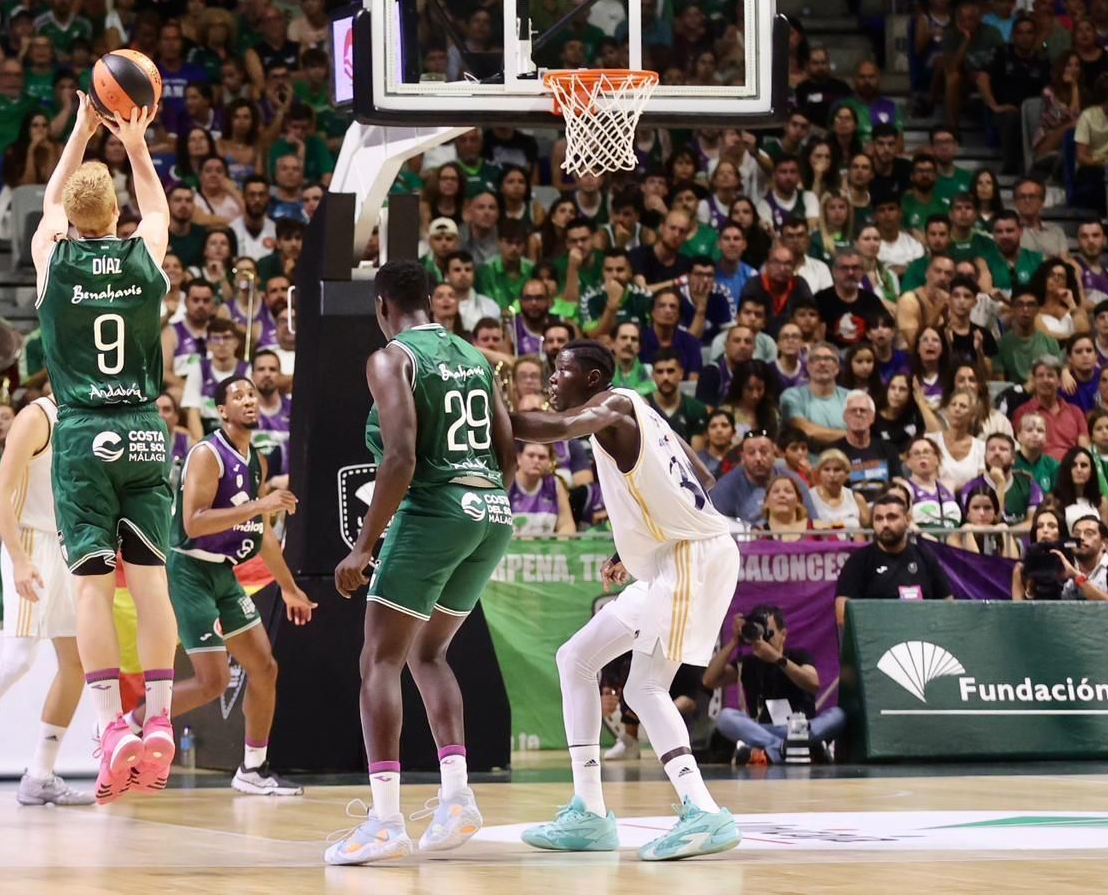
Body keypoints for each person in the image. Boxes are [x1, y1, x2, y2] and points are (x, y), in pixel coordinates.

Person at [512, 340, 741, 861]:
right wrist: (634, 543)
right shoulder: (644, 412)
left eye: (561, 370)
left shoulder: (613, 405)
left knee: (645, 685)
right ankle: (589, 814)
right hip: (669, 556)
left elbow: (559, 427)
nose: (552, 379)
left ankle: (703, 812)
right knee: (575, 658)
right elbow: (701, 478)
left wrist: (493, 419)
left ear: (592, 379)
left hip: (691, 556)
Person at [326, 259, 516, 866]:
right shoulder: (476, 356)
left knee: (379, 659)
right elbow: (507, 452)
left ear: (381, 306)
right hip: (491, 511)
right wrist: (479, 505)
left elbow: (401, 458)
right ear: (430, 301)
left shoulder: (392, 359)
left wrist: (363, 546)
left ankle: (385, 821)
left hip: (436, 510)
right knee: (428, 653)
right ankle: (457, 799)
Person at [31, 99, 179, 804]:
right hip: (145, 430)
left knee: (92, 589)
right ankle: (161, 717)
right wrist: (135, 143)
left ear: (69, 218)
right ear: (117, 215)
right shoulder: (143, 254)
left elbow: (49, 205)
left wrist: (81, 132)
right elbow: (158, 207)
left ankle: (110, 726)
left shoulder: (54, 258)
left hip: (83, 432)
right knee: (151, 586)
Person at [120, 376, 314, 794]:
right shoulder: (207, 454)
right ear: (222, 411)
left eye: (252, 394)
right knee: (213, 682)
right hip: (189, 570)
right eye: (238, 396)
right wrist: (260, 504)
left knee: (265, 667)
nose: (249, 400)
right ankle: (128, 725)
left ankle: (253, 769)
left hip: (223, 573)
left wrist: (288, 587)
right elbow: (194, 522)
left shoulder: (256, 460)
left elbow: (261, 532)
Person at [0, 395, 94, 806]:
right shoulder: (36, 416)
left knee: (76, 663)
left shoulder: (92, 414)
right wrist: (20, 560)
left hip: (67, 545)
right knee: (18, 660)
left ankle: (40, 775)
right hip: (29, 541)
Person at [704, 604, 847, 765]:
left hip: (800, 728)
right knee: (725, 717)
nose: (763, 639)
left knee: (838, 715)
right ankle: (786, 747)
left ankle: (779, 748)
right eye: (759, 632)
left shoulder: (798, 656)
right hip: (763, 729)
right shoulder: (748, 663)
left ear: (783, 635)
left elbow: (813, 683)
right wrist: (734, 642)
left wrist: (777, 659)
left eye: (768, 633)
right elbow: (709, 680)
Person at [835, 494, 956, 626]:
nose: (885, 524)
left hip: (922, 632)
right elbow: (842, 615)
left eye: (892, 517)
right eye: (879, 519)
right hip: (876, 635)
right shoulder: (858, 561)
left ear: (907, 519)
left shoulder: (925, 557)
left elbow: (948, 606)